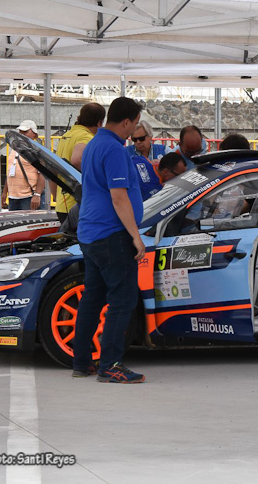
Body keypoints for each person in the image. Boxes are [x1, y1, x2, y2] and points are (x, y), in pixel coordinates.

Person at [72, 97, 146, 384]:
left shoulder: (94, 143)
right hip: (111, 234)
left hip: (91, 232)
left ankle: (82, 362)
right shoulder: (114, 149)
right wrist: (136, 237)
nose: (135, 130)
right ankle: (110, 365)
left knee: (93, 298)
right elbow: (119, 197)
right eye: (135, 124)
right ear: (126, 121)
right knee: (123, 299)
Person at [53, 102, 105, 222]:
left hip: (62, 204)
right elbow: (77, 160)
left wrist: (56, 197)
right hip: (78, 204)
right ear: (99, 122)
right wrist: (99, 177)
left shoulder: (66, 136)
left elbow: (54, 169)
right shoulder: (86, 137)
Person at [1, 120, 46, 211]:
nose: (22, 134)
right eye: (20, 132)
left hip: (29, 197)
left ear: (34, 134)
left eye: (25, 132)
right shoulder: (14, 149)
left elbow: (43, 174)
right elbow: (10, 173)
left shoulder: (37, 151)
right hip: (13, 198)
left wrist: (37, 194)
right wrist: (5, 192)